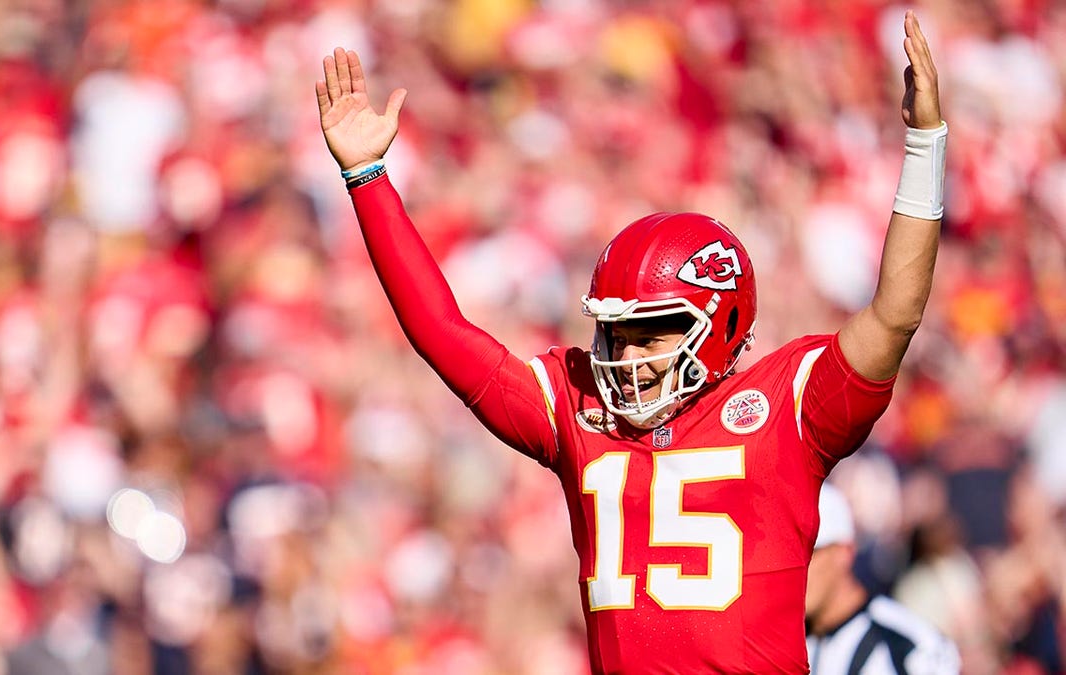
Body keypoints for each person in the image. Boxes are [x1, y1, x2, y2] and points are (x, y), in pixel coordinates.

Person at [316, 10, 946, 674]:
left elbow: (895, 314)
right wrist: (368, 179)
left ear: (722, 325)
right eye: (616, 332)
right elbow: (443, 333)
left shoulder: (788, 407)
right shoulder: (581, 405)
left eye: (651, 332)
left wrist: (923, 144)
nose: (627, 355)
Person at [806, 484, 961, 674]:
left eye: (808, 554)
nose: (793, 571)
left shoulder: (909, 647)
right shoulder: (775, 643)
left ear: (844, 553)